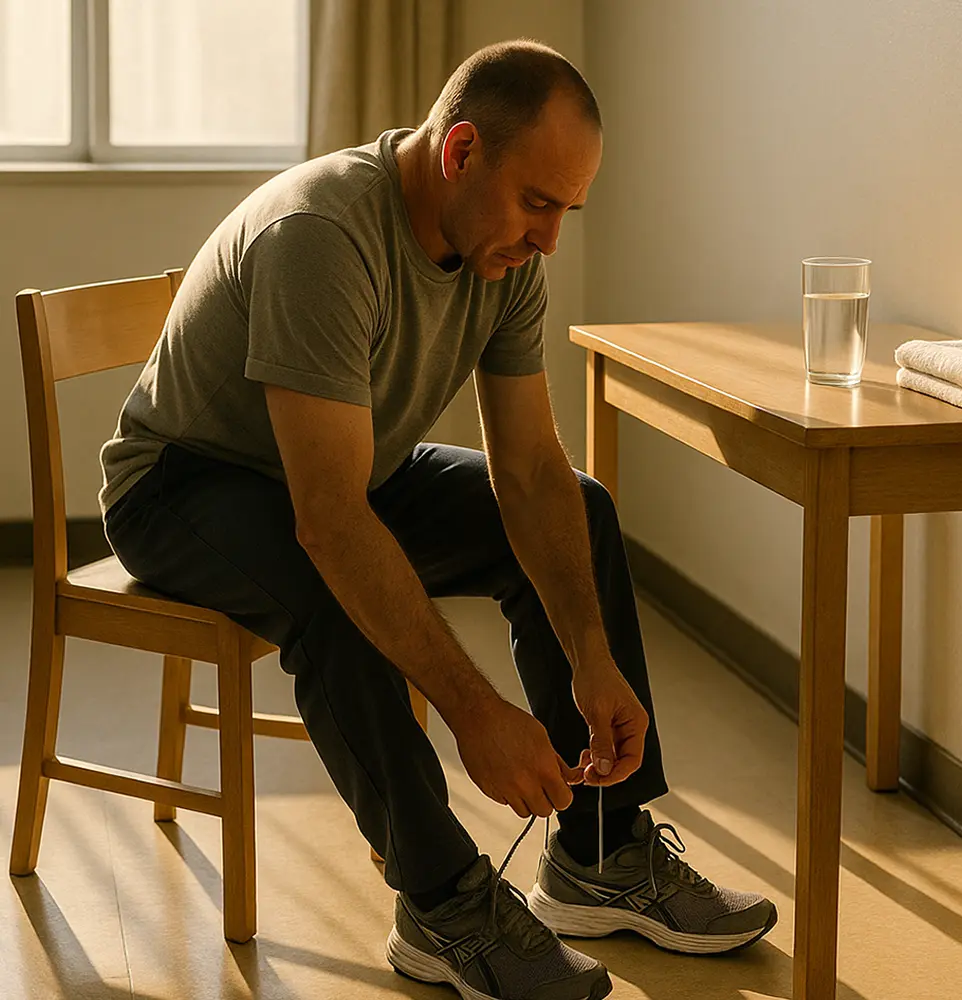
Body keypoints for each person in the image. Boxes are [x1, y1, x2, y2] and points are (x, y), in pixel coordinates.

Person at [100, 39, 777, 1000]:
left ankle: (602, 852)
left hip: (347, 472)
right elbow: (330, 525)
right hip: (183, 486)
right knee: (332, 594)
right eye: (537, 203)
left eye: (567, 211)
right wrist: (477, 714)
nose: (550, 239)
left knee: (579, 506)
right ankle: (443, 903)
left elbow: (531, 472)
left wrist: (591, 656)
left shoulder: (507, 258)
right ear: (460, 152)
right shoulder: (322, 235)